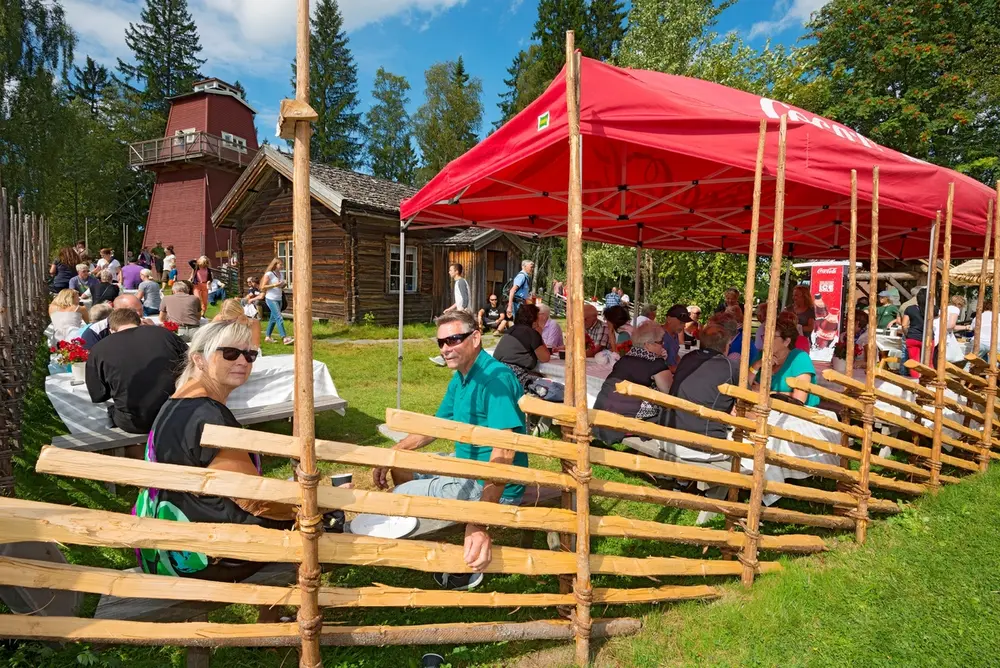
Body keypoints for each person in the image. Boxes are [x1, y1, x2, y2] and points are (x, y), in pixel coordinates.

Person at [133, 320, 296, 587]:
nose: (243, 361)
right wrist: (308, 504)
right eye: (230, 353)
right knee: (317, 525)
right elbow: (256, 500)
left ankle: (271, 617)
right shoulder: (209, 415)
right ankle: (274, 619)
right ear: (199, 359)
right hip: (202, 557)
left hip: (163, 547)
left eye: (250, 355)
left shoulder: (175, 403)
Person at [372, 311, 528, 591]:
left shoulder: (495, 380)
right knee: (401, 464)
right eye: (441, 342)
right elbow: (437, 426)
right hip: (466, 466)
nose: (446, 348)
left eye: (454, 339)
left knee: (399, 497)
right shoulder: (463, 375)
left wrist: (480, 522)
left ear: (476, 338)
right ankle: (435, 529)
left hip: (489, 485)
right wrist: (393, 452)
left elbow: (504, 453)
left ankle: (450, 554)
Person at [86, 307, 188, 435]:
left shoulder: (99, 349)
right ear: (139, 323)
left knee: (112, 411)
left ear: (111, 330)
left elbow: (99, 394)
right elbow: (190, 365)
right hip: (177, 413)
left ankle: (136, 452)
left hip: (136, 421)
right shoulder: (165, 334)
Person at [592, 322, 671, 445]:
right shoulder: (656, 364)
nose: (663, 345)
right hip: (625, 420)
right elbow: (669, 392)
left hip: (602, 412)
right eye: (660, 342)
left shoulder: (624, 359)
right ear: (648, 344)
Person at [664, 323, 740, 439]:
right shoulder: (730, 367)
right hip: (704, 442)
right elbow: (748, 407)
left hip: (669, 434)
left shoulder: (687, 358)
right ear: (726, 346)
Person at [750, 311, 820, 407]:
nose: (765, 340)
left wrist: (767, 393)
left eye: (772, 337)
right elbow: (744, 385)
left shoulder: (799, 358)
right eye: (764, 336)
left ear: (786, 341)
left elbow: (798, 399)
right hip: (766, 410)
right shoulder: (761, 355)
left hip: (798, 415)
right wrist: (756, 365)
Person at [493, 303, 551, 390]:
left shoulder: (511, 330)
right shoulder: (531, 333)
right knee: (550, 387)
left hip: (498, 373)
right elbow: (545, 358)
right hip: (515, 376)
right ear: (534, 319)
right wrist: (539, 334)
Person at [81, 294, 148, 349]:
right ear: (117, 311)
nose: (139, 313)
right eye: (133, 310)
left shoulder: (147, 326)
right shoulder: (96, 331)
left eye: (141, 309)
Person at [260, 258, 293, 345]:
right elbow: (263, 287)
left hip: (279, 298)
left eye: (282, 265)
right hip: (271, 299)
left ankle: (268, 337)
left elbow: (279, 287)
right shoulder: (269, 274)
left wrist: (283, 285)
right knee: (279, 317)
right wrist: (275, 284)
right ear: (275, 264)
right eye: (280, 264)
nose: (282, 266)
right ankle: (285, 338)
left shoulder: (281, 274)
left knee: (273, 318)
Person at [901, 288, 932, 378]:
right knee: (929, 362)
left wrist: (907, 335)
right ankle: (928, 380)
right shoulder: (933, 309)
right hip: (928, 337)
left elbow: (904, 325)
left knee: (914, 362)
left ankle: (916, 381)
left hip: (913, 337)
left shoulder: (910, 309)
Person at [661, 304, 691, 371]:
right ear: (669, 319)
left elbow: (675, 355)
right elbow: (655, 364)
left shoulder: (675, 334)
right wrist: (678, 370)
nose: (684, 326)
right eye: (681, 322)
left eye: (684, 323)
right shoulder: (658, 335)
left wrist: (683, 365)